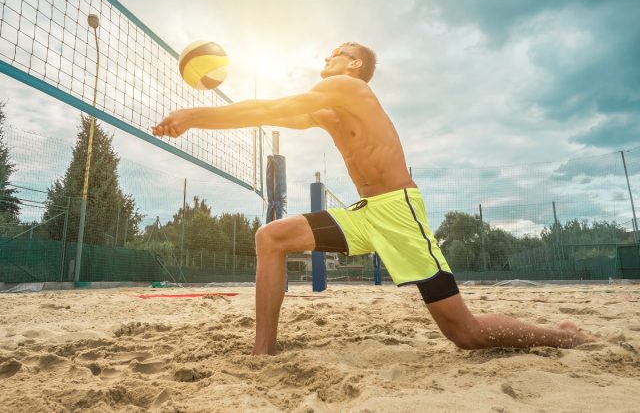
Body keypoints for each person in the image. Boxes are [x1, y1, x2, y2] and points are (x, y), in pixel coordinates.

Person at [152, 42, 593, 355]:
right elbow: (278, 113)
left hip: (400, 213)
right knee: (271, 237)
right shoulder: (330, 107)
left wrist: (194, 116)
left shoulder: (349, 88)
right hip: (367, 214)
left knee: (467, 335)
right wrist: (203, 118)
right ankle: (262, 351)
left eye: (336, 51)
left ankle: (564, 336)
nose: (327, 56)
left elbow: (272, 108)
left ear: (354, 63)